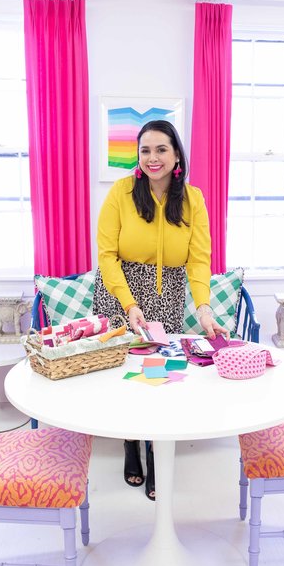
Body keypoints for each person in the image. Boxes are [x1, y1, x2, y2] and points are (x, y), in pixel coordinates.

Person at [93, 119, 228, 500]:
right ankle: (129, 444)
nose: (153, 158)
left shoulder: (193, 199)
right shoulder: (121, 192)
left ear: (176, 154)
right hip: (120, 292)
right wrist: (129, 303)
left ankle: (154, 448)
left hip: (167, 294)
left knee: (158, 377)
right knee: (124, 376)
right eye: (145, 150)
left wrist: (203, 308)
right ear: (138, 156)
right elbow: (106, 254)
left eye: (161, 149)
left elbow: (199, 260)